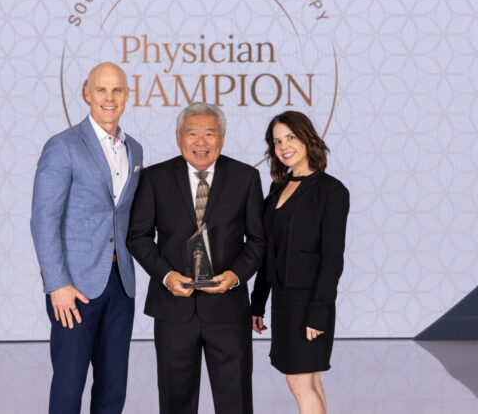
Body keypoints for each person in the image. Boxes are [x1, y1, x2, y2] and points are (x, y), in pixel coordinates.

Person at [127, 102, 266, 414]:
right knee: (175, 402)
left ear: (222, 137)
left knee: (235, 401)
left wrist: (235, 276)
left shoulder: (245, 177)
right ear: (178, 137)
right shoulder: (155, 178)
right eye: (192, 133)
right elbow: (138, 236)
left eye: (209, 133)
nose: (201, 142)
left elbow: (258, 240)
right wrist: (166, 276)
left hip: (228, 309)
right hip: (173, 309)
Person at [30, 62, 142, 414]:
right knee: (69, 383)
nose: (109, 98)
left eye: (117, 90)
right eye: (101, 90)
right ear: (86, 93)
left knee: (113, 386)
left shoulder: (135, 149)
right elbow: (43, 219)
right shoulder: (63, 146)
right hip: (74, 288)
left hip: (121, 284)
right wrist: (56, 283)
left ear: (127, 95)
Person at [251, 111, 349, 414]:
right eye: (277, 141)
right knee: (309, 380)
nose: (284, 146)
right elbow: (269, 250)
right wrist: (257, 303)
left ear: (307, 139)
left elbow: (332, 259)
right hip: (283, 300)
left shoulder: (332, 191)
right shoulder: (277, 188)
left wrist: (318, 313)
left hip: (311, 302)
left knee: (299, 381)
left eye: (290, 137)